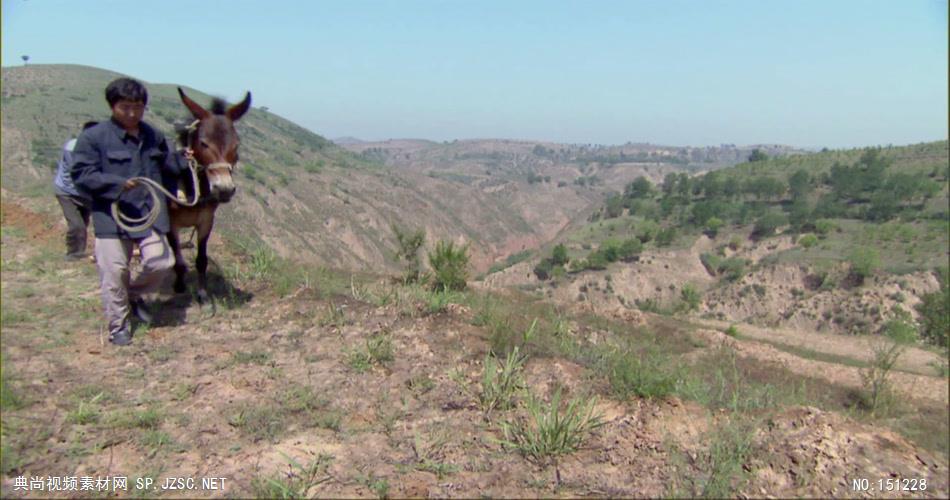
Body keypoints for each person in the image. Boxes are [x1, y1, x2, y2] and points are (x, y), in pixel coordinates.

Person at [71, 77, 183, 346]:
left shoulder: (153, 135)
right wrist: (116, 184)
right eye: (125, 107)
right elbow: (81, 175)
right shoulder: (93, 138)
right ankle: (118, 325)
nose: (132, 113)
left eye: (138, 107)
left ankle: (132, 295)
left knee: (161, 262)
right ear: (112, 106)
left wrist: (185, 160)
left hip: (149, 213)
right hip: (111, 216)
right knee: (114, 271)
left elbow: (168, 168)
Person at [53, 121, 97, 260]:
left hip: (84, 194)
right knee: (77, 225)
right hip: (66, 192)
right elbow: (80, 173)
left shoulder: (97, 148)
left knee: (83, 223)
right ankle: (73, 255)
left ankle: (79, 253)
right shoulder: (73, 148)